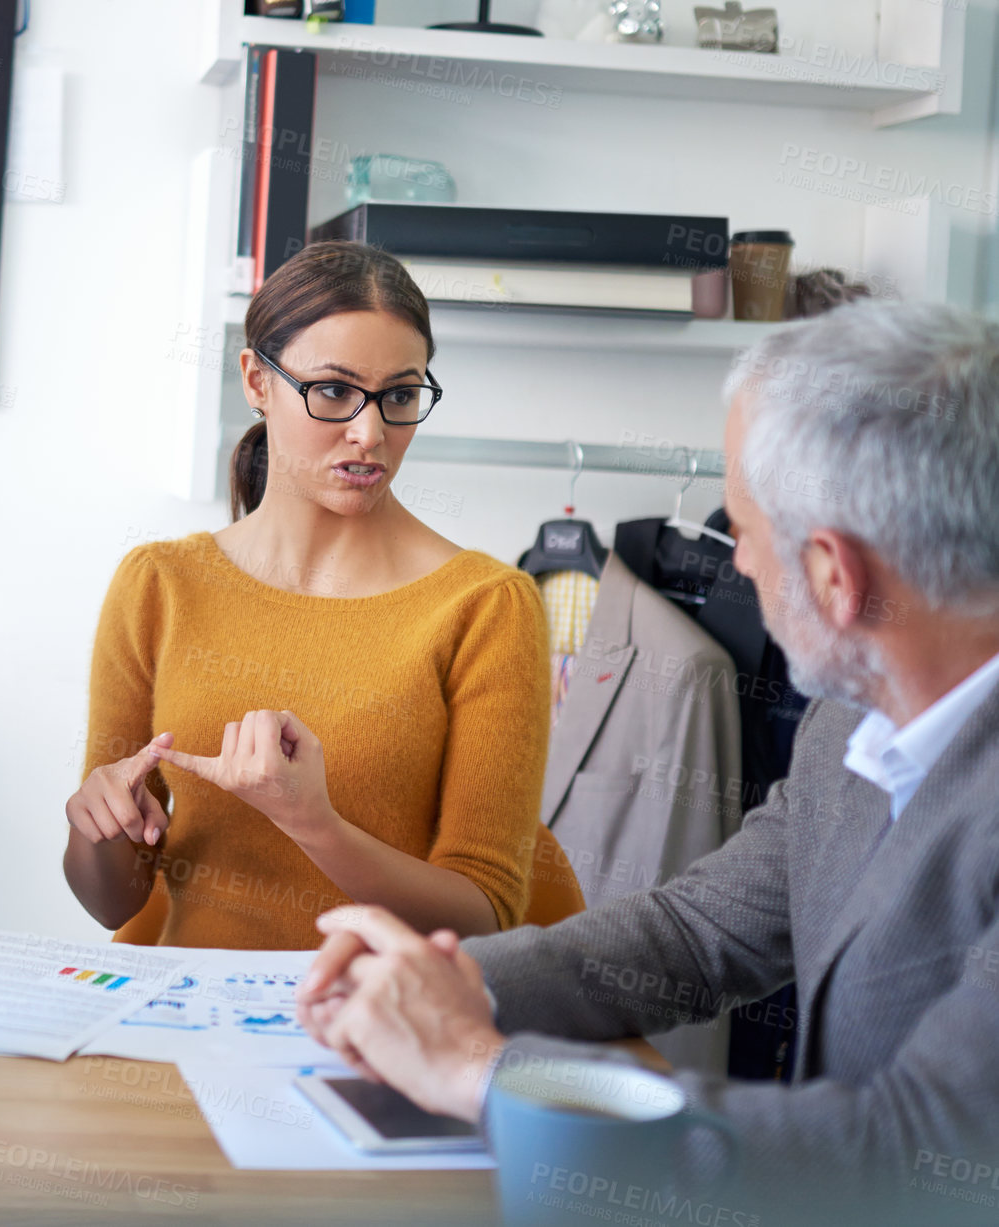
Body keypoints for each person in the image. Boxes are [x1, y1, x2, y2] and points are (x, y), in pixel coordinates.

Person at [296, 300, 999, 1224]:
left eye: (742, 528)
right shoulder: (849, 724)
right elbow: (698, 931)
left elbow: (913, 1149)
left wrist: (475, 1068)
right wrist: (461, 983)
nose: (735, 558)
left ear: (835, 575)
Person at [64, 241, 551, 950]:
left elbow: (486, 918)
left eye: (401, 395)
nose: (370, 432)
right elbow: (111, 902)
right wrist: (97, 824)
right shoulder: (158, 586)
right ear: (257, 380)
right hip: (176, 1016)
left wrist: (312, 821)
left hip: (373, 1028)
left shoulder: (487, 606)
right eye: (332, 391)